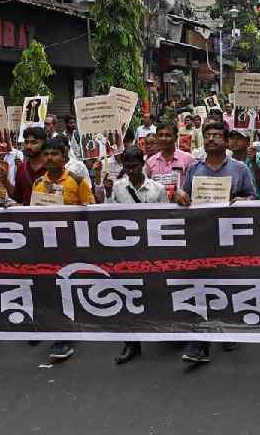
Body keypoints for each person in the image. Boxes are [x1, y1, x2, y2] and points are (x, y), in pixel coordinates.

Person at [175, 121, 256, 364]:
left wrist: (245, 201)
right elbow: (182, 194)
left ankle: (227, 328)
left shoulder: (239, 169)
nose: (211, 139)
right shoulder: (193, 169)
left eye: (216, 135)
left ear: (226, 140)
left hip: (230, 239)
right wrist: (178, 195)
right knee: (202, 287)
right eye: (207, 135)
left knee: (227, 286)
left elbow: (252, 195)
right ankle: (200, 343)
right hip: (200, 238)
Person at [31, 137, 95, 361]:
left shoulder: (77, 181)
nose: (49, 158)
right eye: (46, 154)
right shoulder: (38, 184)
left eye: (54, 154)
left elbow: (91, 210)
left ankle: (69, 331)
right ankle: (62, 334)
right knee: (55, 290)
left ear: (64, 156)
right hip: (49, 247)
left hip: (73, 245)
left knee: (70, 287)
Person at [105, 146, 168, 365]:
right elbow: (108, 216)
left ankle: (164, 332)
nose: (130, 171)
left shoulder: (158, 189)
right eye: (127, 167)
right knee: (128, 295)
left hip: (151, 250)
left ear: (143, 165)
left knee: (154, 293)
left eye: (134, 166)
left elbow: (166, 220)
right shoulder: (118, 188)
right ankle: (132, 343)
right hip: (127, 251)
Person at [0, 126, 47, 205]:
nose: (28, 146)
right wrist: (5, 181)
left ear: (44, 143)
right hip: (27, 216)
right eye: (26, 142)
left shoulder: (51, 167)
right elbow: (17, 197)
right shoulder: (22, 168)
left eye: (34, 142)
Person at [228, 130, 260, 199]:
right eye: (232, 138)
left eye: (239, 139)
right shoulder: (226, 158)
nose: (234, 141)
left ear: (248, 142)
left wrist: (254, 162)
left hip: (256, 203)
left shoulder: (258, 157)